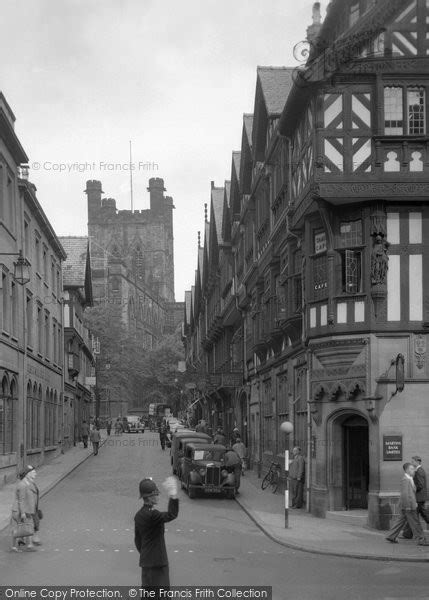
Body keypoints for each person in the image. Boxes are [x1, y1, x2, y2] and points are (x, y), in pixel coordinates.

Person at [134, 477, 179, 591]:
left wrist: (147, 554)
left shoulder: (138, 515)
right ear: (149, 498)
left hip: (146, 563)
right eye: (155, 494)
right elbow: (171, 515)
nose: (158, 496)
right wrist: (173, 495)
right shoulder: (153, 515)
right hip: (158, 564)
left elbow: (138, 541)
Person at [386, 462, 429, 546]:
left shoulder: (409, 479)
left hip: (407, 506)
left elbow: (411, 492)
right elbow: (405, 494)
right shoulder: (406, 480)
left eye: (413, 469)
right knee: (416, 523)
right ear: (407, 470)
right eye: (412, 469)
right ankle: (421, 539)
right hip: (409, 506)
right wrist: (408, 506)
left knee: (400, 522)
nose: (414, 470)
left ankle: (391, 536)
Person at [10, 465, 41, 552]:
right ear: (27, 474)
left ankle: (26, 544)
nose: (35, 474)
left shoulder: (27, 483)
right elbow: (21, 500)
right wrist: (23, 513)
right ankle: (19, 546)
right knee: (20, 527)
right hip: (20, 510)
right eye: (33, 472)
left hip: (25, 509)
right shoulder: (22, 485)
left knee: (26, 526)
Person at [401, 456, 429, 539]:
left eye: (413, 462)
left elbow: (420, 485)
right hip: (420, 498)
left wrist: (412, 489)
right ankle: (407, 534)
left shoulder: (419, 471)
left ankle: (411, 535)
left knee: (414, 517)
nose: (412, 464)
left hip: (419, 498)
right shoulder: (419, 470)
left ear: (417, 462)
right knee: (416, 516)